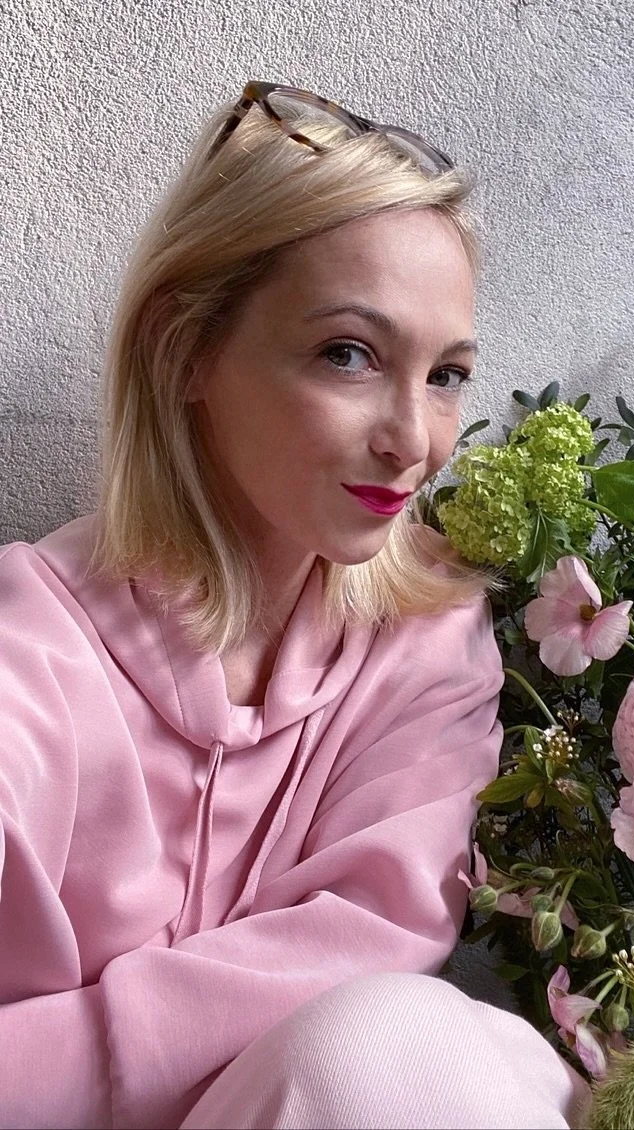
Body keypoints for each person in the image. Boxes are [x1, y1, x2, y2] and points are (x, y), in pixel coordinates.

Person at [0, 83, 591, 1129]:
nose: (413, 440)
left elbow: (378, 941)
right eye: (348, 354)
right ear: (185, 350)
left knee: (411, 1049)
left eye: (446, 373)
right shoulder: (28, 653)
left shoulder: (426, 638)